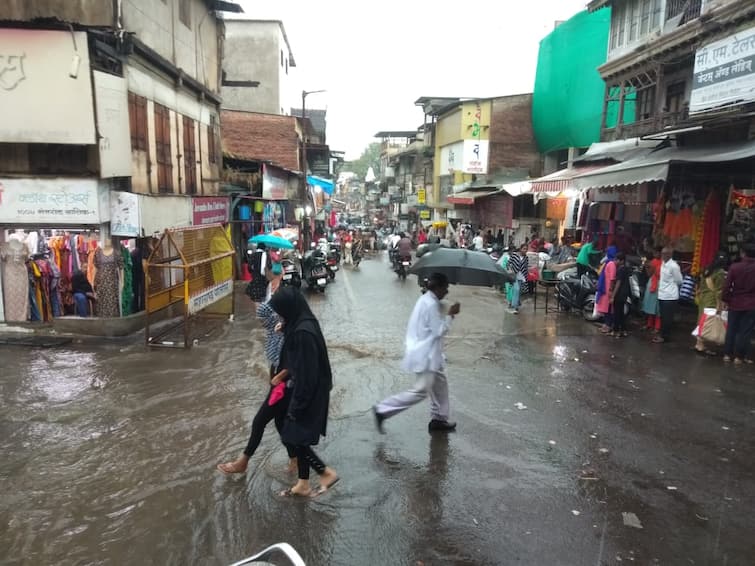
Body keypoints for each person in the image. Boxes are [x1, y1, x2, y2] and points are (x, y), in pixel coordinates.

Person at [269, 288, 338, 497]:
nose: (280, 316)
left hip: (310, 393)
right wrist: (286, 327)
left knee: (293, 435)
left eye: (281, 312)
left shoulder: (303, 333)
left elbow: (307, 375)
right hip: (309, 390)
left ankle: (325, 472)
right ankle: (303, 483)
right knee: (298, 437)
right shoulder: (302, 323)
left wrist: (297, 406)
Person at [217, 301, 298, 476]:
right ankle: (295, 459)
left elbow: (295, 359)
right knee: (279, 422)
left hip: (286, 385)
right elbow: (274, 360)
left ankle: (243, 462)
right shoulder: (275, 330)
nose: (262, 323)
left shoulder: (286, 331)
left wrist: (279, 377)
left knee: (259, 421)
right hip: (278, 384)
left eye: (263, 319)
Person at [373, 272, 460, 433]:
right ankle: (382, 410)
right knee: (421, 391)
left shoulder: (426, 300)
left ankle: (439, 419)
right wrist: (450, 315)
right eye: (445, 288)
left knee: (440, 385)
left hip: (432, 353)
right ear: (438, 287)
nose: (447, 292)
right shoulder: (430, 304)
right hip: (426, 355)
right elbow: (438, 331)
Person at [721, 244, 755, 364]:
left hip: (735, 302)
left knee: (731, 328)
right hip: (751, 304)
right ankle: (739, 357)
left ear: (742, 253)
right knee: (745, 331)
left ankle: (727, 354)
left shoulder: (735, 267)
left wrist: (726, 299)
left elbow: (727, 286)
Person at [694, 252, 727, 356]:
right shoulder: (720, 272)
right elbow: (719, 291)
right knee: (707, 323)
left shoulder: (707, 269)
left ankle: (699, 344)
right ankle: (700, 345)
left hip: (703, 298)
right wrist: (719, 305)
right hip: (711, 300)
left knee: (701, 321)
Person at [653, 247, 683, 344]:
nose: (662, 256)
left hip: (670, 296)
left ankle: (665, 337)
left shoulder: (674, 266)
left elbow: (679, 280)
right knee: (662, 316)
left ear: (670, 255)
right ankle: (662, 334)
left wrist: (670, 286)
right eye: (662, 253)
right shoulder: (663, 264)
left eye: (665, 254)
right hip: (662, 294)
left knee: (667, 318)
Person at [596, 246, 618, 333]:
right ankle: (606, 324)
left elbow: (612, 279)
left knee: (608, 309)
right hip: (604, 288)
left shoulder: (611, 264)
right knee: (605, 308)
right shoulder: (608, 262)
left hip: (608, 289)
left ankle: (608, 325)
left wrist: (610, 290)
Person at [642, 247, 663, 333]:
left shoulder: (664, 263)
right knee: (649, 305)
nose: (655, 255)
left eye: (656, 253)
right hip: (651, 283)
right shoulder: (653, 261)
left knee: (657, 307)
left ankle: (657, 327)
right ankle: (649, 324)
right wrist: (646, 266)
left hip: (660, 284)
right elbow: (649, 274)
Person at [610, 252, 630, 337]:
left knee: (617, 313)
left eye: (617, 260)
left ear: (622, 261)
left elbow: (618, 283)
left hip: (619, 294)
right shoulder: (626, 269)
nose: (615, 261)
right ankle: (623, 330)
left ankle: (616, 331)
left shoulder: (620, 270)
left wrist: (613, 296)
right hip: (624, 293)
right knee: (621, 312)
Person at [507, 244, 529, 314]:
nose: (525, 250)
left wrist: (526, 277)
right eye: (524, 249)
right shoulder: (514, 255)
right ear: (520, 249)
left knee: (519, 291)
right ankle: (514, 307)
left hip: (522, 276)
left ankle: (513, 302)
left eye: (526, 249)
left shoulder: (526, 258)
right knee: (516, 289)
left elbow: (526, 267)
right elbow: (508, 264)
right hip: (514, 275)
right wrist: (510, 270)